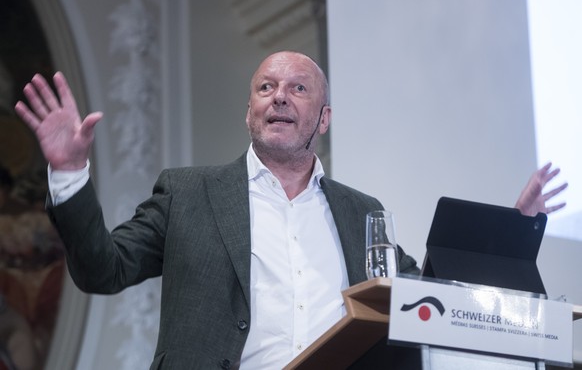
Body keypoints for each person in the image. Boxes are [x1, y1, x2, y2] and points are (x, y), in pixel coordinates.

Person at [14, 51, 566, 369]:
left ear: (323, 119)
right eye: (266, 87)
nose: (279, 96)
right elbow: (101, 269)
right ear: (248, 112)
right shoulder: (188, 195)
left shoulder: (361, 213)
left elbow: (429, 300)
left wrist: (507, 236)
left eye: (298, 88)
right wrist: (68, 173)